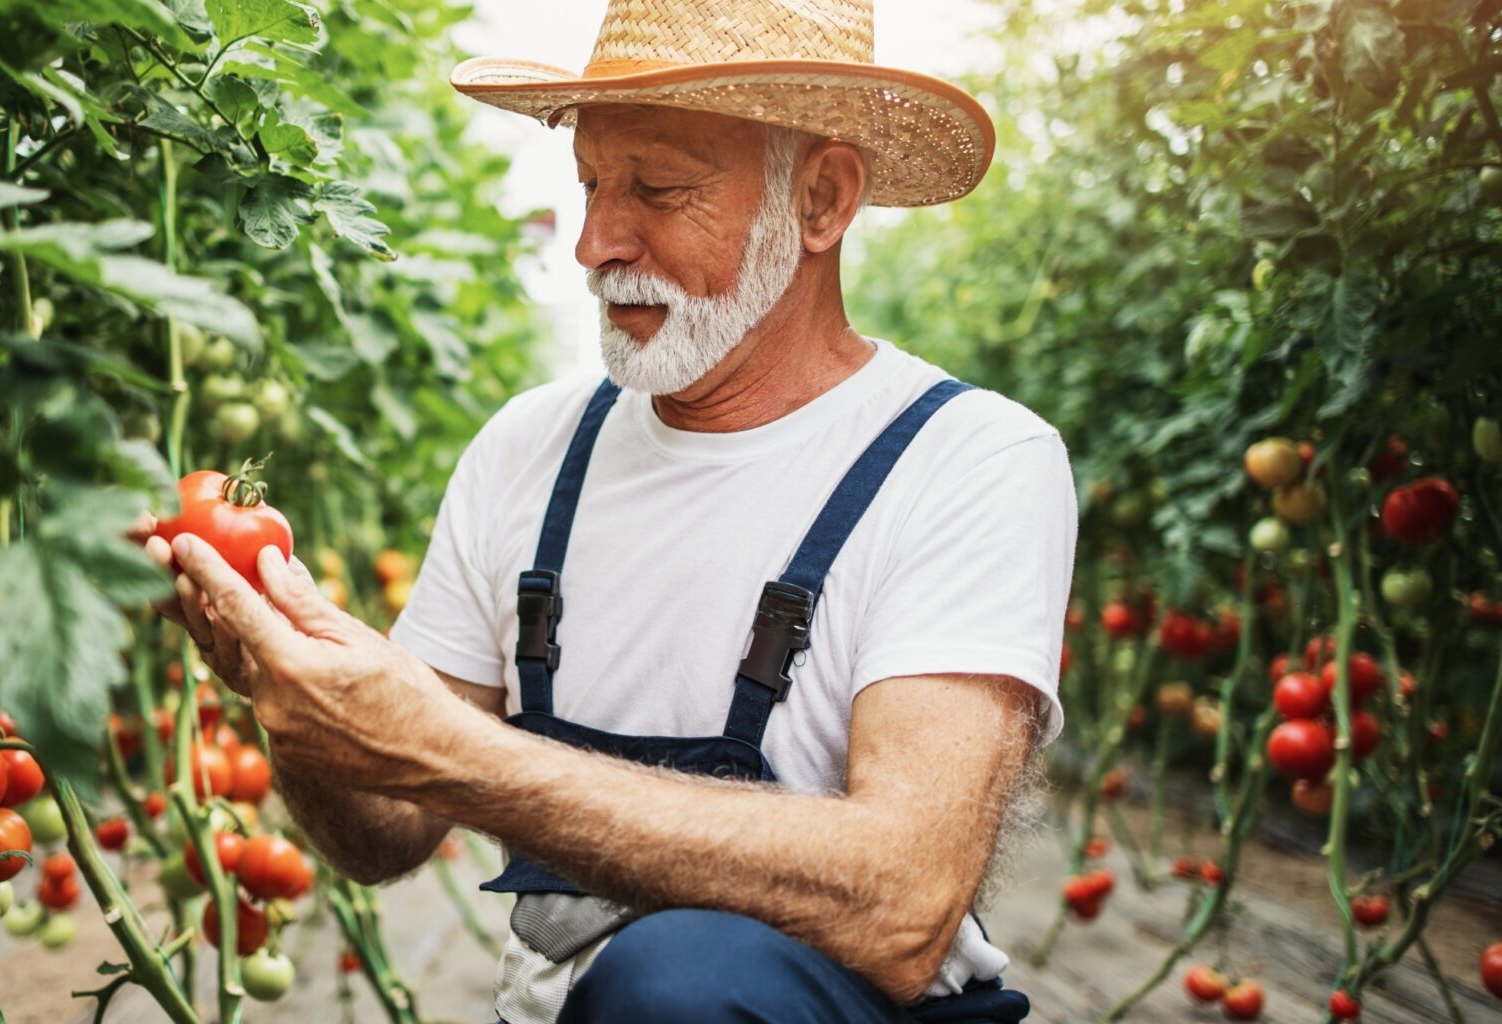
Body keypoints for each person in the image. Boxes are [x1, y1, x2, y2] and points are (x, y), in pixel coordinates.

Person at [142, 0, 1077, 1020]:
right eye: (590, 181)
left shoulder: (967, 460)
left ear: (821, 197)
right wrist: (291, 695)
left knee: (683, 984)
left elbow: (905, 899)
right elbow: (383, 834)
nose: (595, 242)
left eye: (659, 189)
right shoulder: (530, 451)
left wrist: (451, 751)